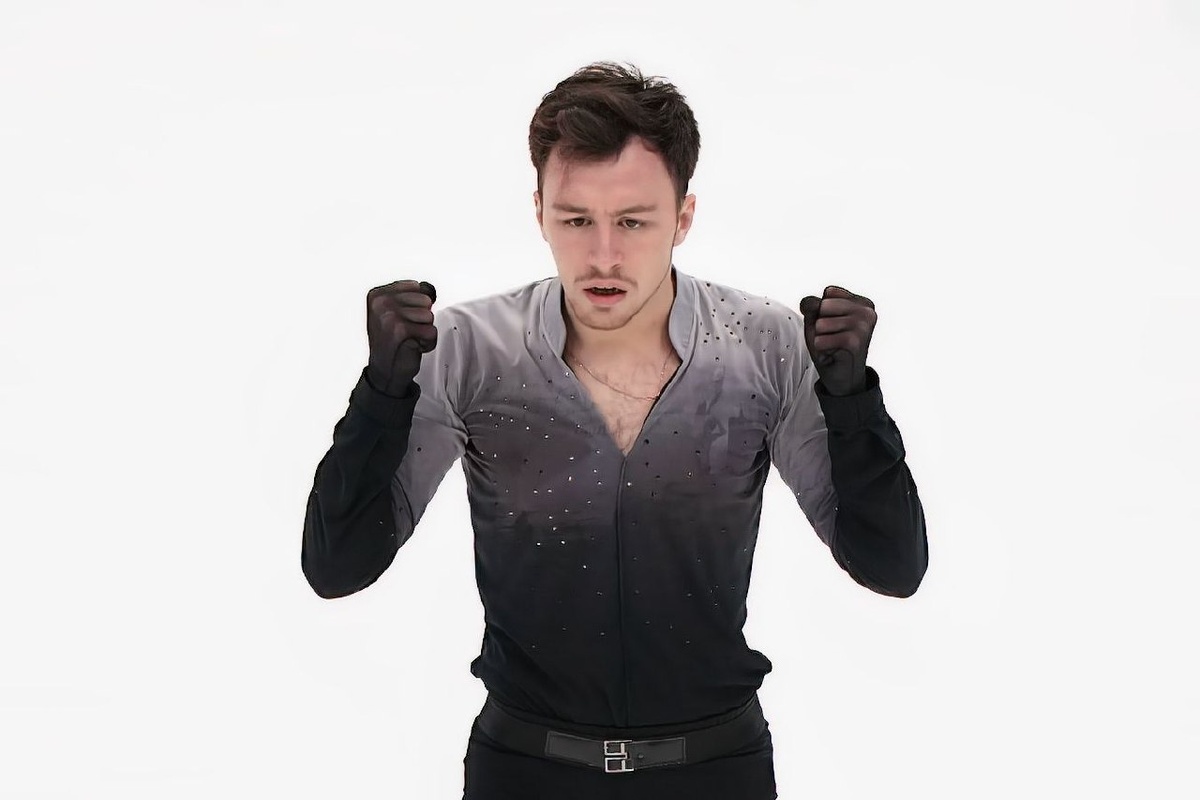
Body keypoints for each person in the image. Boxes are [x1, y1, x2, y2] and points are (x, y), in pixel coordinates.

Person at [301, 60, 928, 800]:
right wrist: (380, 395)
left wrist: (854, 403)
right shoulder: (466, 351)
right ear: (539, 211)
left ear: (683, 218)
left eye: (633, 221)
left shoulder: (767, 346)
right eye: (576, 221)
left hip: (715, 770)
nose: (603, 256)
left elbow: (892, 567)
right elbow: (337, 568)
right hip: (524, 771)